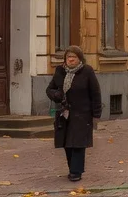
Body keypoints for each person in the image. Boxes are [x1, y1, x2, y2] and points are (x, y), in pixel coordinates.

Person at [46, 46, 102, 182]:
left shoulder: (87, 71)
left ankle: (76, 172)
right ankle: (72, 168)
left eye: (74, 57)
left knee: (78, 143)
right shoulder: (60, 71)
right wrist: (56, 95)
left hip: (82, 114)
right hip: (64, 114)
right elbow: (49, 89)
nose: (71, 59)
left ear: (80, 59)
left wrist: (96, 114)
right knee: (67, 143)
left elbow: (96, 93)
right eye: (68, 57)